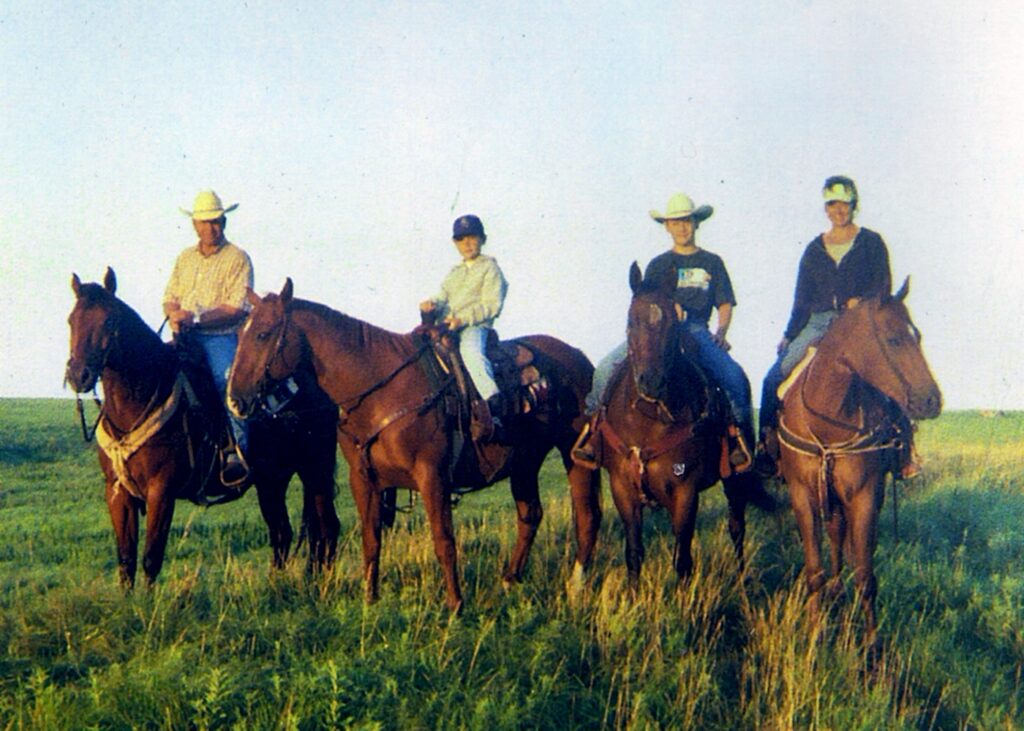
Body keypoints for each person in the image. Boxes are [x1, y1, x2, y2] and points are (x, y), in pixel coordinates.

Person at [576, 192, 756, 471]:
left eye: (687, 221)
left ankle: (738, 439)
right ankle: (592, 431)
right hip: (656, 332)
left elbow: (724, 302)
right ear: (667, 227)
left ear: (696, 224)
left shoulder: (712, 262)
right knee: (603, 369)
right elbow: (647, 302)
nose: (682, 227)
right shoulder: (658, 265)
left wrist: (721, 331)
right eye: (675, 222)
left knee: (733, 377)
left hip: (695, 329)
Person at [756, 175, 917, 477]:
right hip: (817, 323)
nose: (838, 211)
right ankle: (768, 450)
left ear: (854, 206)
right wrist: (789, 335)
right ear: (826, 209)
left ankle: (902, 451)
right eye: (833, 205)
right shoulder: (814, 250)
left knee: (890, 376)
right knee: (772, 378)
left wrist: (862, 301)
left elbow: (884, 287)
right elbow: (801, 299)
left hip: (858, 326)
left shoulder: (871, 243)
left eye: (844, 204)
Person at [163, 190, 254, 485]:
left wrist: (197, 318)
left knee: (226, 381)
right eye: (204, 222)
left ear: (224, 222)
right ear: (195, 225)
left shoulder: (237, 258)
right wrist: (174, 313)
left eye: (215, 222)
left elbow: (236, 307)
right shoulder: (184, 258)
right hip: (183, 336)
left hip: (219, 337)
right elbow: (170, 297)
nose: (210, 228)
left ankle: (236, 451)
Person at [420, 214, 508, 440]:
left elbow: (491, 305)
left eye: (472, 238)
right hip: (447, 327)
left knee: (471, 353)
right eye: (461, 240)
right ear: (455, 243)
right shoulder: (454, 273)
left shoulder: (490, 268)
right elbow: (443, 296)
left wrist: (462, 319)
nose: (467, 244)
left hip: (474, 327)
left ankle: (494, 406)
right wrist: (432, 304)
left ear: (482, 239)